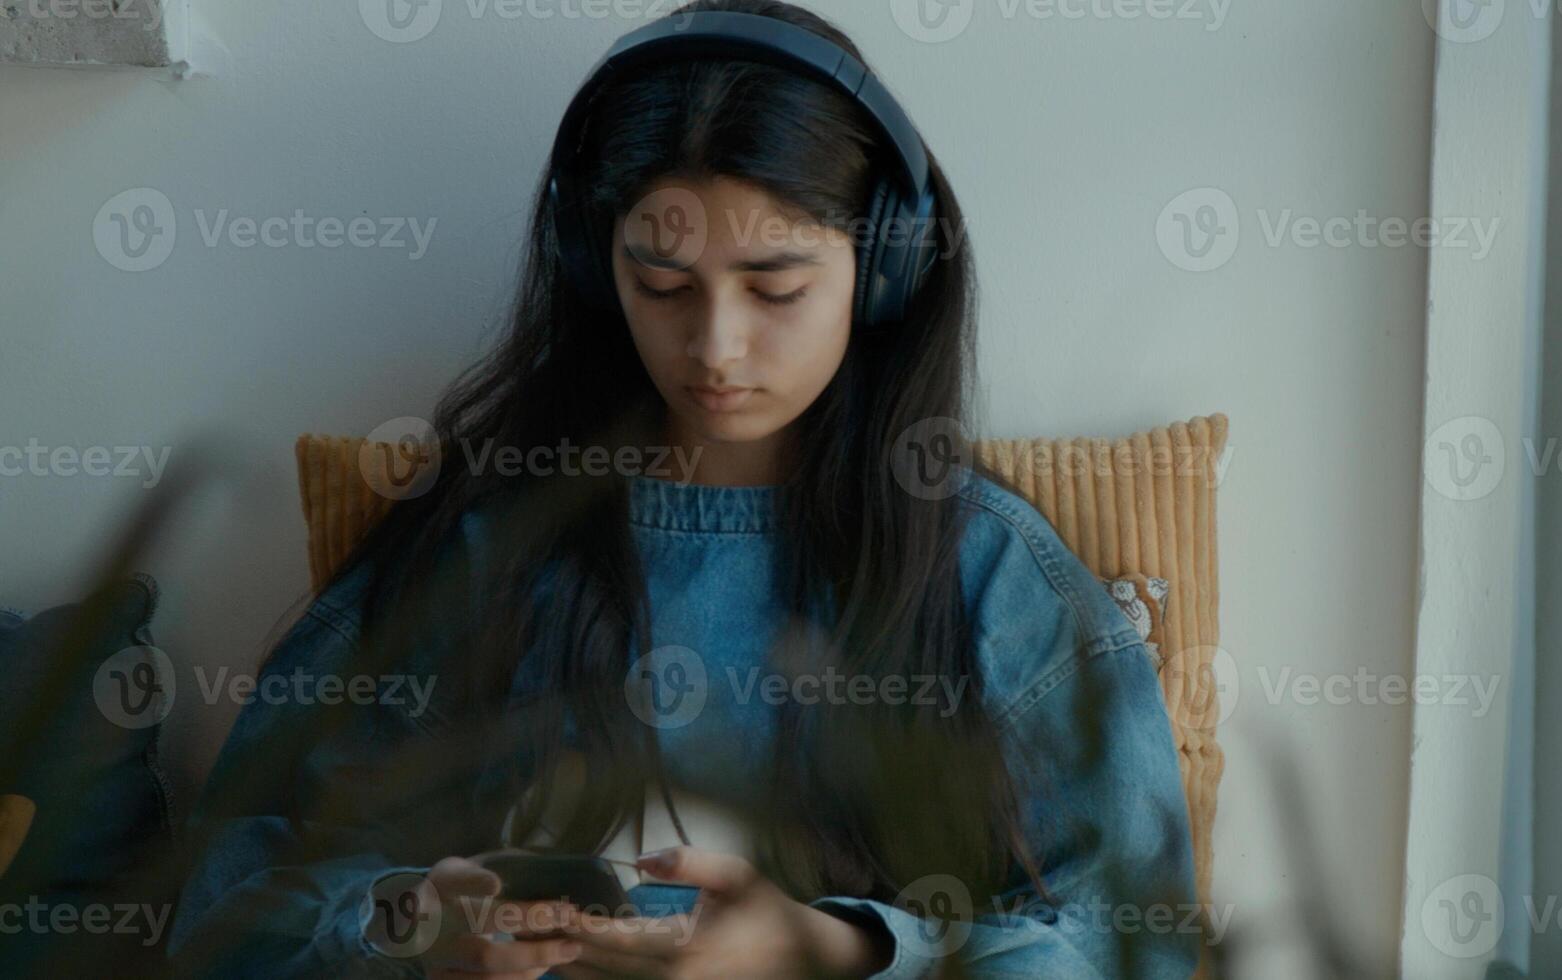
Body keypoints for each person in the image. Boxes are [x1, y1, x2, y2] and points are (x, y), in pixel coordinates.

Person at [167, 2, 1198, 976]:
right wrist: (411, 923)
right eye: (660, 286)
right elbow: (229, 896)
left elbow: (1135, 936)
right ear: (590, 263)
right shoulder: (488, 542)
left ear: (881, 267)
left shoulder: (985, 570)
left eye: (776, 288)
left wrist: (840, 949)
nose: (714, 345)